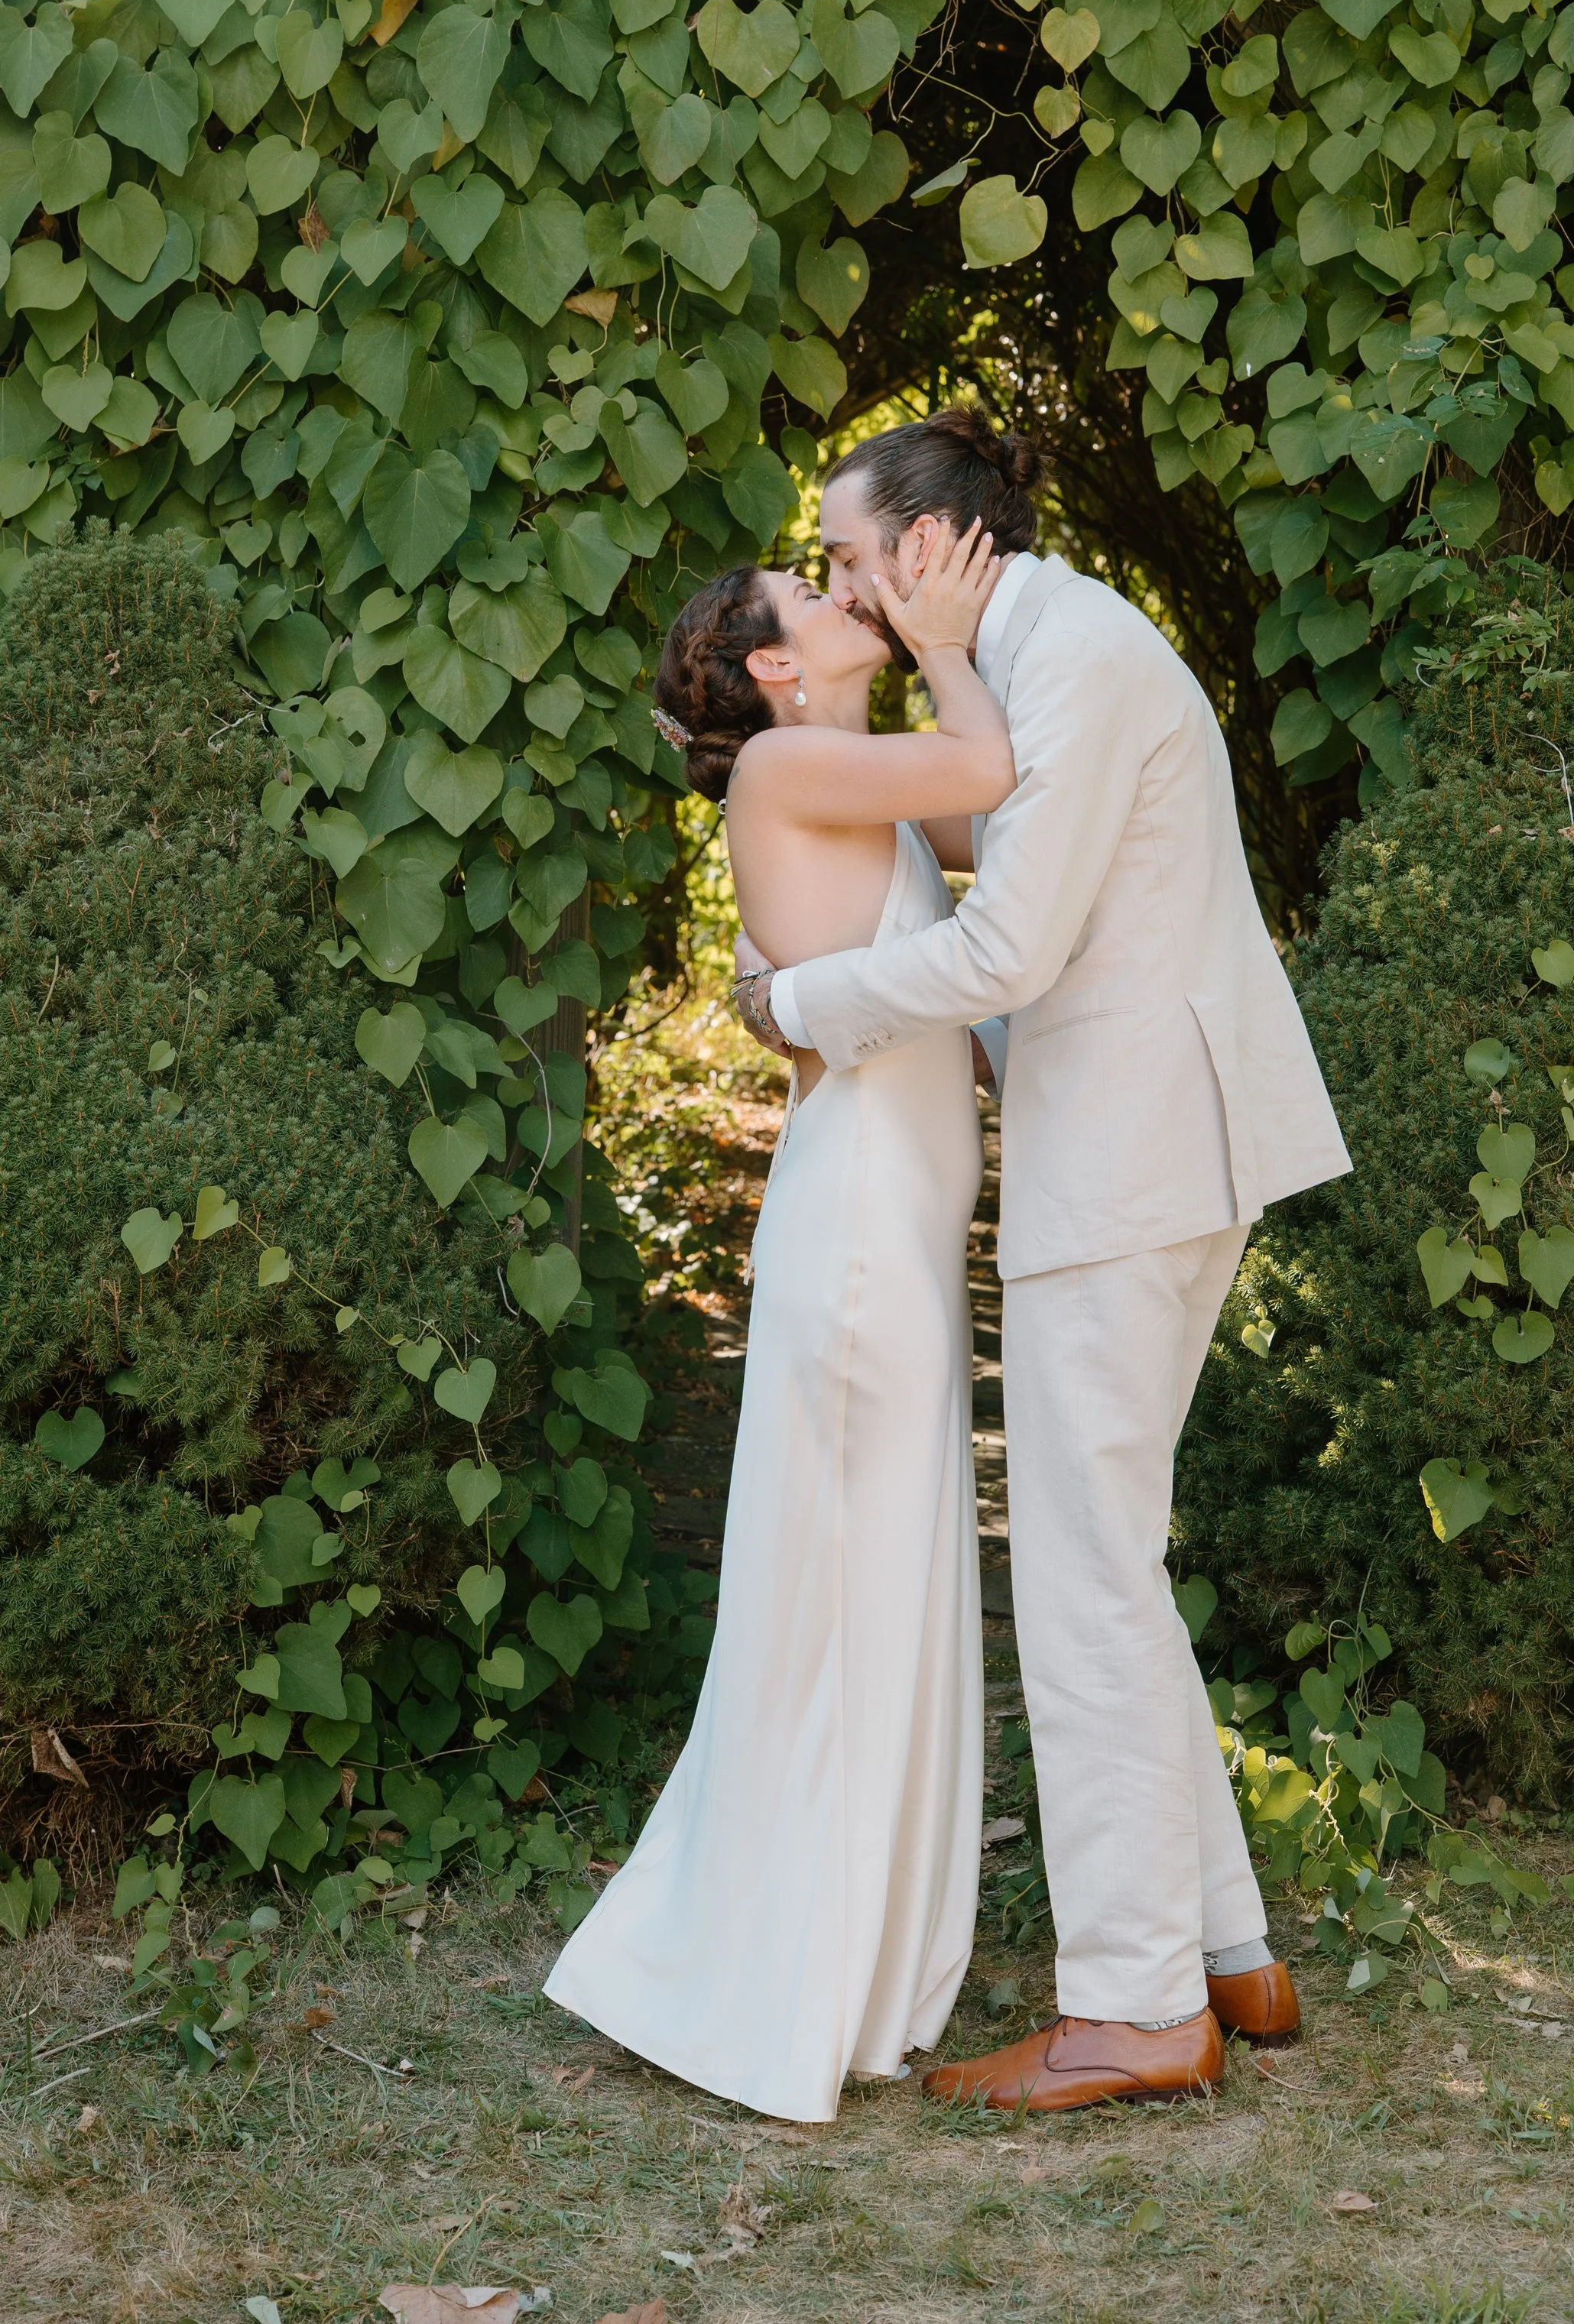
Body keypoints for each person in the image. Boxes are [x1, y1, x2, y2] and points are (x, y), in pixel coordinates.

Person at [735, 406, 1352, 2113]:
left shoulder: (1066, 658)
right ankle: (1223, 1953)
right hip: (1135, 1146)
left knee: (1080, 1570)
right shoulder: (1023, 665)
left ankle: (1137, 2006)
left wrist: (796, 1006)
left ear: (934, 543)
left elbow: (1009, 941)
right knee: (1110, 1560)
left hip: (1139, 1155)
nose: (845, 592)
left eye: (853, 558)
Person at [544, 522, 1014, 2123]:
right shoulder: (780, 778)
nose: (845, 596)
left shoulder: (841, 766)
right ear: (767, 664)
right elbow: (994, 767)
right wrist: (944, 630)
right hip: (861, 1237)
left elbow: (1000, 817)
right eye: (814, 595)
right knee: (840, 1602)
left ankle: (853, 1976)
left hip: (894, 1223)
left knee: (881, 1598)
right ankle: (769, 1983)